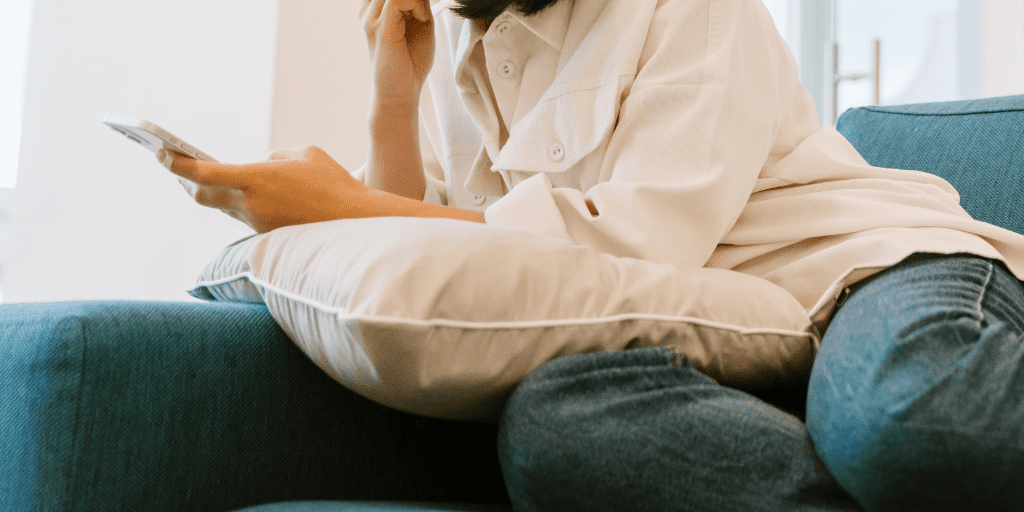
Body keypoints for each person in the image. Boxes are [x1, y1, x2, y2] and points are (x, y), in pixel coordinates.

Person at [155, 0, 1024, 509]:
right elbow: (448, 243)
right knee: (554, 428)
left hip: (872, 273)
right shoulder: (462, 40)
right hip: (721, 345)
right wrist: (394, 101)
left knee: (913, 426)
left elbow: (639, 240)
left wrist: (343, 204)